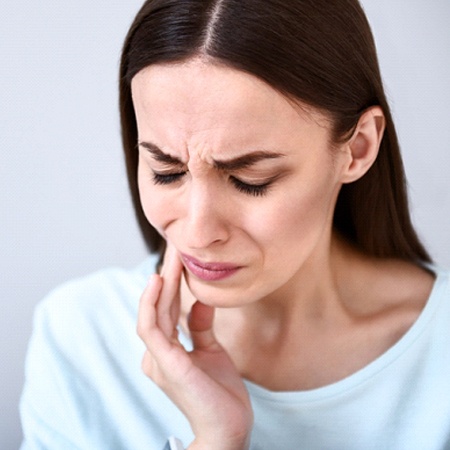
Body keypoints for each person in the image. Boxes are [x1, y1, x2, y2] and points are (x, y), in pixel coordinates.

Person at [20, 0, 450, 449]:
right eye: (166, 172)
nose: (198, 232)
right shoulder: (81, 336)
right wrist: (217, 440)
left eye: (250, 180)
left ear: (357, 148)